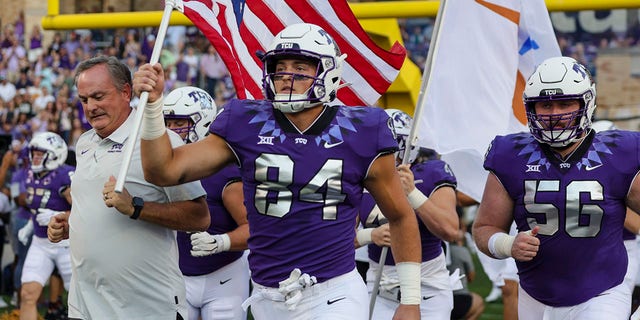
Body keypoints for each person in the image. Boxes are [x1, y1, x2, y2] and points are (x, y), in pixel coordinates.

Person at [133, 23, 422, 320]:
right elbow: (163, 171)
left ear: (330, 71)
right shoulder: (243, 121)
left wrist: (411, 300)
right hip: (265, 297)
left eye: (301, 66)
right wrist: (153, 107)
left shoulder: (363, 129)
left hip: (333, 294)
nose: (287, 76)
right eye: (279, 67)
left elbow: (400, 215)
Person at [472, 56, 640, 320]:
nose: (554, 115)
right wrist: (507, 244)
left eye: (565, 103)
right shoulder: (510, 153)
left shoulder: (621, 151)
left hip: (602, 293)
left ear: (587, 102)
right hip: (534, 295)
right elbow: (484, 228)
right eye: (545, 105)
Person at [46, 55, 210, 319]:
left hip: (147, 307)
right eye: (84, 99)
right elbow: (93, 207)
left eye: (98, 96)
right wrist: (70, 224)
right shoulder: (85, 142)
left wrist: (137, 207)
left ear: (125, 92)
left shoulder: (158, 141)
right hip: (85, 305)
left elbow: (200, 217)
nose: (91, 107)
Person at [360, 109, 460, 319]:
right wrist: (371, 236)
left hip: (428, 288)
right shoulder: (359, 175)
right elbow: (334, 236)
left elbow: (450, 230)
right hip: (379, 287)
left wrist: (413, 193)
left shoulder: (431, 172)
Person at [163, 86, 251, 320]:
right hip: (175, 275)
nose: (171, 131)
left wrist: (221, 242)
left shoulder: (223, 172)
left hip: (224, 277)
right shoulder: (161, 168)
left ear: (202, 122)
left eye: (178, 123)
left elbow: (254, 228)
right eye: (167, 123)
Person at [16, 131, 73, 320]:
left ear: (56, 153)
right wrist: (31, 225)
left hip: (66, 244)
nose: (35, 157)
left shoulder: (65, 175)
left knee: (79, 299)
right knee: (28, 294)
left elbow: (86, 211)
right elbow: (39, 208)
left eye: (40, 153)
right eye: (34, 153)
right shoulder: (31, 174)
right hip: (40, 242)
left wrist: (59, 216)